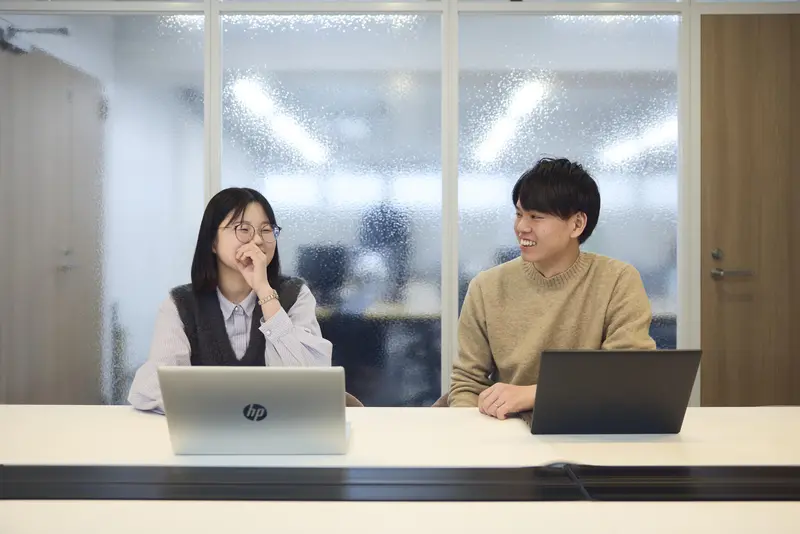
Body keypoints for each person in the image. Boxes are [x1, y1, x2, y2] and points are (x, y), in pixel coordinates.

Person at [448, 157, 656, 418]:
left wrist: (532, 395)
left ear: (577, 224)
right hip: (507, 429)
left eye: (536, 217)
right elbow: (467, 384)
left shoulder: (618, 280)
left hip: (591, 425)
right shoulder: (486, 287)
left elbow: (627, 376)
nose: (521, 227)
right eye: (519, 214)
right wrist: (470, 431)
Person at [128, 187, 332, 413]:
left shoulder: (295, 295)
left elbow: (310, 383)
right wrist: (230, 409)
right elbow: (152, 388)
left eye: (266, 230)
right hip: (209, 430)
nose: (257, 240)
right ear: (213, 242)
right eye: (243, 229)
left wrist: (264, 290)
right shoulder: (181, 304)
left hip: (283, 429)